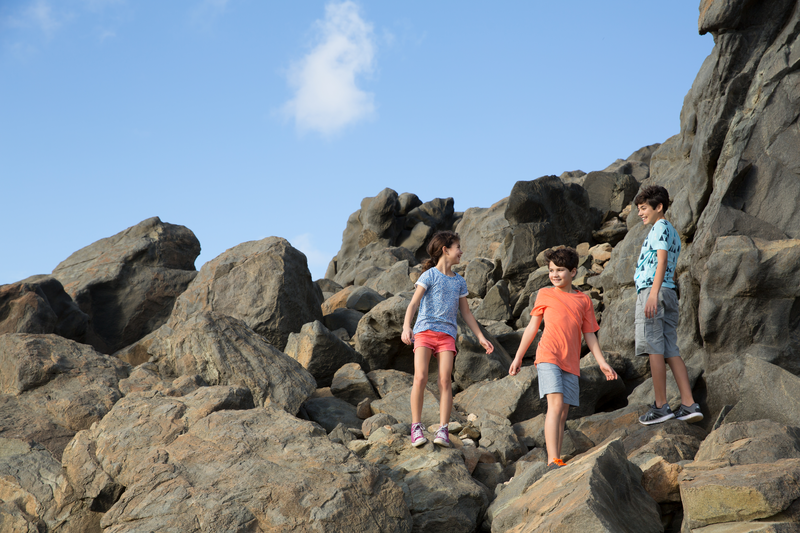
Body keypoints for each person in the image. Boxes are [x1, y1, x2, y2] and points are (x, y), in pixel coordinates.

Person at [509, 247, 617, 471]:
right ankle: (552, 460)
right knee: (555, 405)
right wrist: (518, 357)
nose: (555, 275)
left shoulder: (584, 301)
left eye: (560, 270)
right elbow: (532, 328)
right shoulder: (545, 294)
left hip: (571, 362)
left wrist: (602, 362)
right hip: (548, 355)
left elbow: (590, 335)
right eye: (551, 270)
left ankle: (556, 458)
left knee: (563, 413)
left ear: (574, 272)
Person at [402, 230, 494, 448]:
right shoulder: (429, 276)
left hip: (447, 336)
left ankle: (443, 429)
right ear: (446, 250)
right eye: (458, 247)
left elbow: (467, 313)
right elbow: (413, 304)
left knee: (445, 381)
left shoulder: (460, 282)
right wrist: (407, 327)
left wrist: (480, 336)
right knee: (421, 377)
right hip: (424, 331)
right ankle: (416, 427)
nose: (461, 252)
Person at [634, 185, 703, 425]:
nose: (640, 213)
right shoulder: (671, 230)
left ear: (658, 207)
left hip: (655, 292)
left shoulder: (659, 227)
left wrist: (652, 293)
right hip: (668, 292)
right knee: (670, 348)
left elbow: (661, 259)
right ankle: (688, 403)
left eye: (643, 208)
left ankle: (661, 406)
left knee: (655, 348)